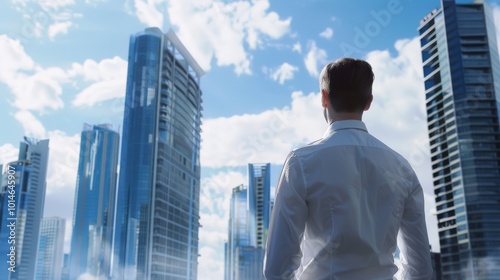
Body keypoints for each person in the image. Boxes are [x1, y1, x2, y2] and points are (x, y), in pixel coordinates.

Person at [263, 58, 433, 280]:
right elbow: (420, 270)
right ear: (368, 102)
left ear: (324, 97)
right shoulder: (403, 168)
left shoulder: (300, 163)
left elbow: (277, 270)